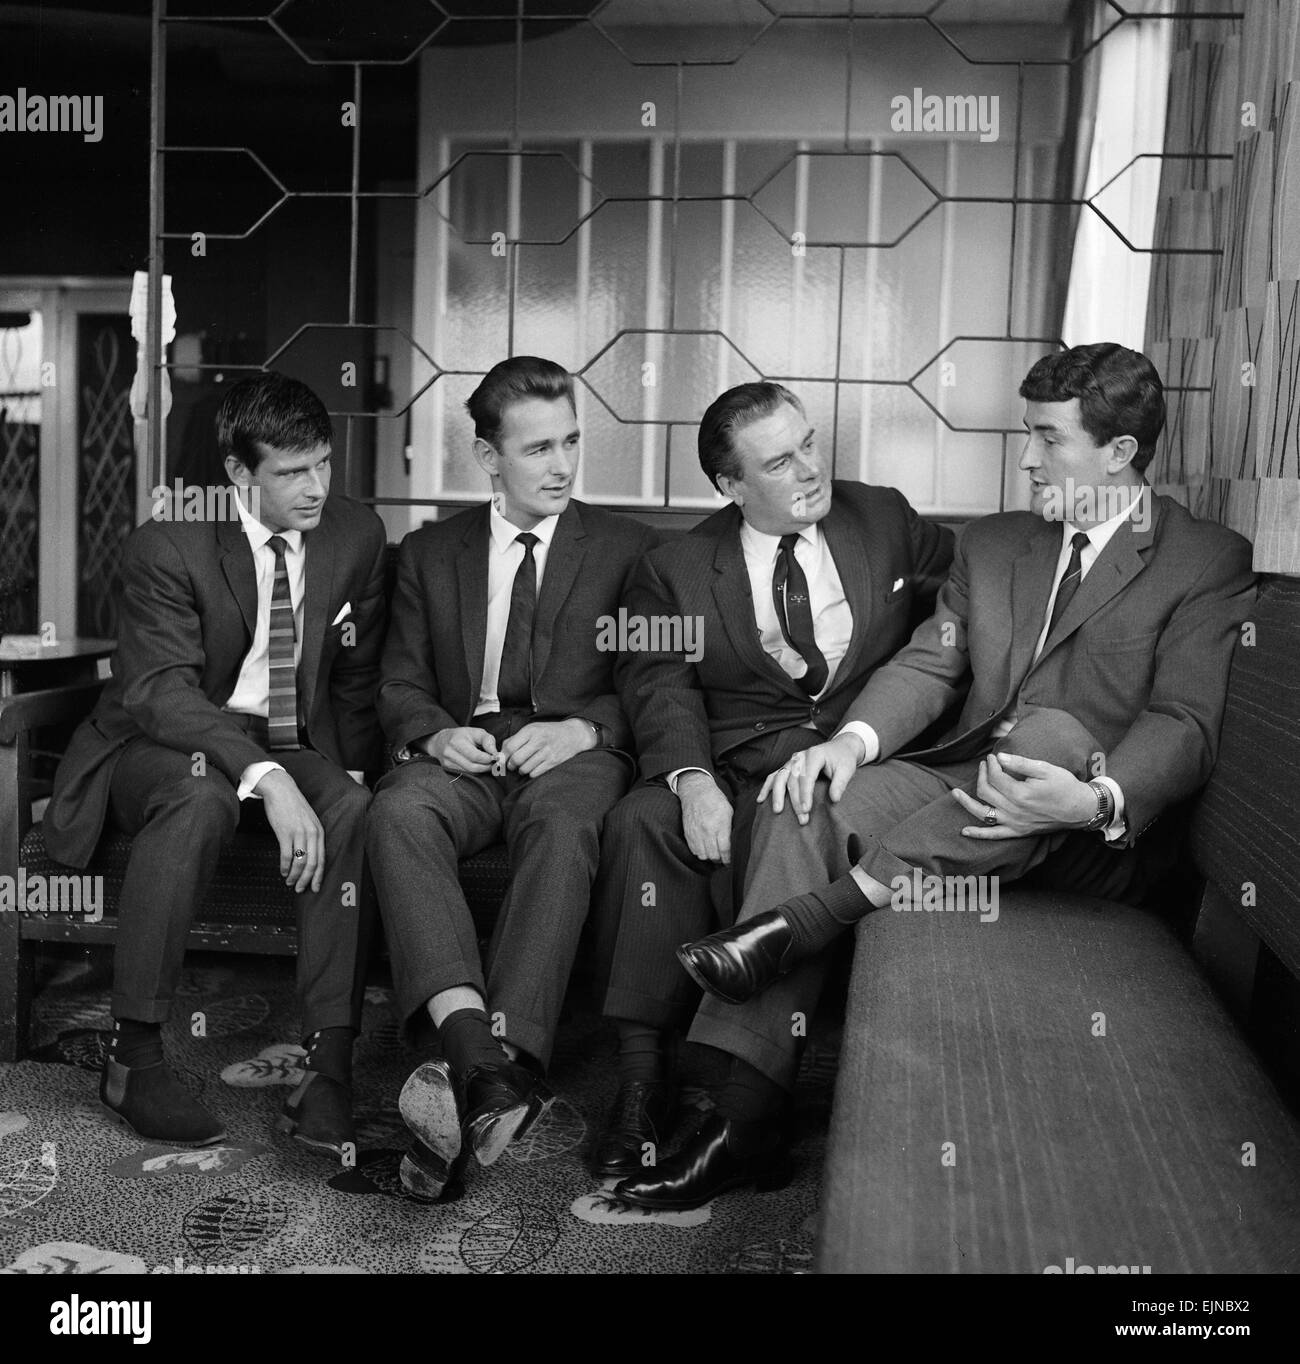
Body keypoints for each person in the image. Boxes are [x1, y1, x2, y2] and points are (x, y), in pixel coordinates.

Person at [611, 342, 1258, 1211]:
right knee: (806, 798)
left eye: (1047, 440)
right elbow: (930, 665)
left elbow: (1182, 722)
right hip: (965, 796)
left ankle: (813, 918)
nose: (1025, 459)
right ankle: (745, 1115)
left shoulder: (1203, 558)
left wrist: (1095, 797)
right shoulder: (993, 546)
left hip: (1087, 829)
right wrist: (849, 745)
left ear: (1120, 452)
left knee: (1059, 733)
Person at [588, 380, 954, 1178]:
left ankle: (730, 1097)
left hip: (853, 760)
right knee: (641, 822)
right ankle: (643, 1078)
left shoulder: (883, 519)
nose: (810, 471)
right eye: (781, 462)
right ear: (730, 485)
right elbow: (657, 681)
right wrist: (690, 780)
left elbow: (969, 599)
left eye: (810, 444)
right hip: (734, 758)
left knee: (797, 812)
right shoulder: (676, 567)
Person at [44, 372, 387, 1158]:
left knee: (350, 807)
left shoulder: (355, 534)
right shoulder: (167, 543)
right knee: (203, 798)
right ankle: (133, 1058)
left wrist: (352, 768)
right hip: (157, 742)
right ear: (238, 473)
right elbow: (160, 691)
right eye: (291, 472)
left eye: (324, 464)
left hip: (291, 735)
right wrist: (263, 779)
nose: (316, 488)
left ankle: (325, 1065)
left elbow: (358, 673)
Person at [367, 355, 658, 1200]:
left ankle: (504, 1053)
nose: (562, 465)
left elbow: (652, 682)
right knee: (396, 811)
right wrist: (433, 734)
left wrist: (581, 730)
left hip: (573, 751)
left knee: (566, 829)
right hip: (468, 750)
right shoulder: (429, 553)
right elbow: (398, 683)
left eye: (571, 442)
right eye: (537, 449)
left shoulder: (628, 549)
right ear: (489, 456)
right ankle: (478, 1061)